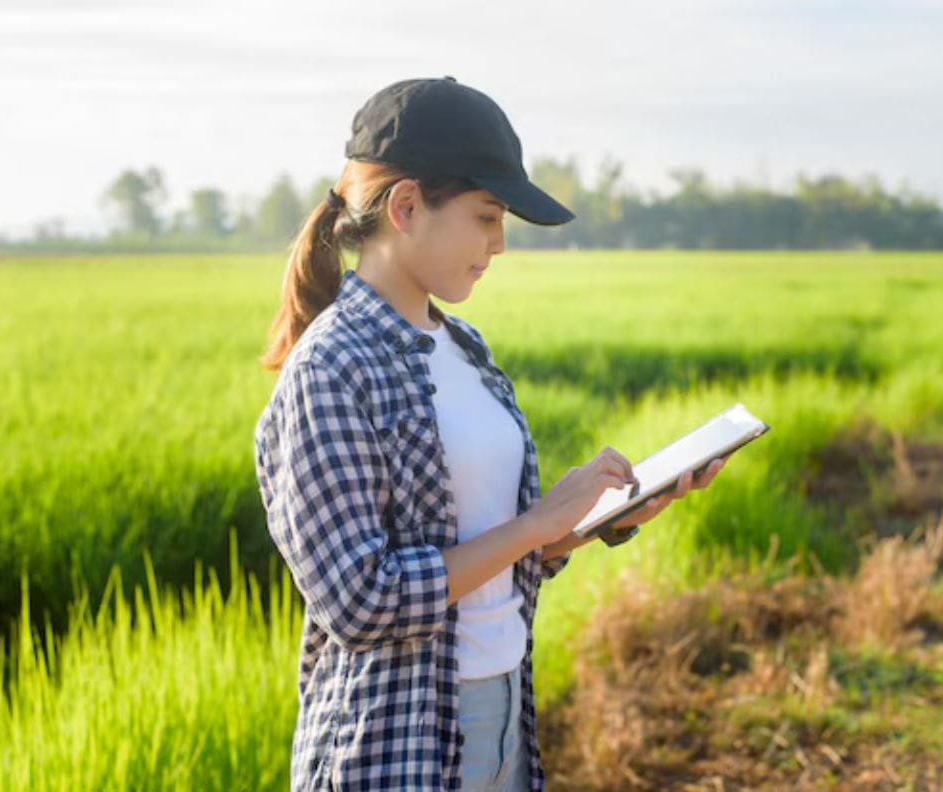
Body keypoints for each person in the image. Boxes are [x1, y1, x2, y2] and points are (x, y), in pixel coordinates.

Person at [252, 76, 730, 792]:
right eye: (485, 217)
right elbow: (360, 600)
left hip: (504, 713)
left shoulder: (465, 347)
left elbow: (493, 556)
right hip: (397, 743)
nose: (499, 244)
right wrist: (537, 522)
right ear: (406, 207)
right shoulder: (330, 369)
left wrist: (600, 515)